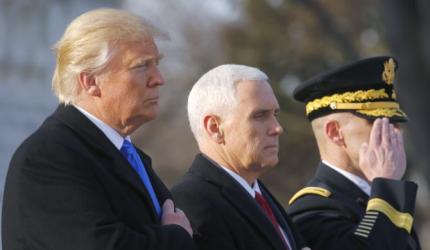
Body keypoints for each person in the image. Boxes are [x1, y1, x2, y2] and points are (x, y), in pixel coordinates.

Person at [2, 8, 196, 250]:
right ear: (91, 81)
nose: (159, 78)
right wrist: (176, 237)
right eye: (141, 66)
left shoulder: (127, 155)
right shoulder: (47, 157)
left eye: (156, 63)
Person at [287, 56, 421, 250]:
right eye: (379, 122)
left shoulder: (375, 195)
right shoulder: (312, 209)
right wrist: (387, 188)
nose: (394, 132)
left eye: (395, 122)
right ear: (335, 132)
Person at [171, 64, 309, 250]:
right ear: (214, 128)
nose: (277, 128)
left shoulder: (256, 192)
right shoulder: (194, 202)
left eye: (275, 114)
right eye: (260, 116)